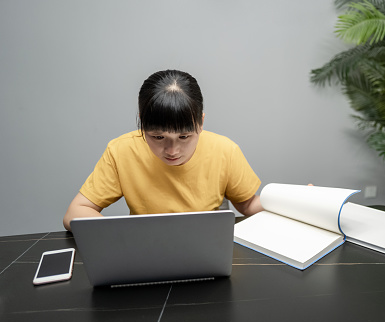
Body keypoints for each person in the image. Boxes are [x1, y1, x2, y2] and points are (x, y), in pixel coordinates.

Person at [63, 70, 263, 231]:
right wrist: (122, 237)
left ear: (201, 123)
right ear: (142, 123)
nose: (172, 150)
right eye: (158, 137)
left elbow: (247, 204)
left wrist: (290, 209)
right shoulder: (121, 151)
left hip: (205, 247)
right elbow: (75, 212)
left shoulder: (225, 150)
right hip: (145, 250)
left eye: (184, 137)